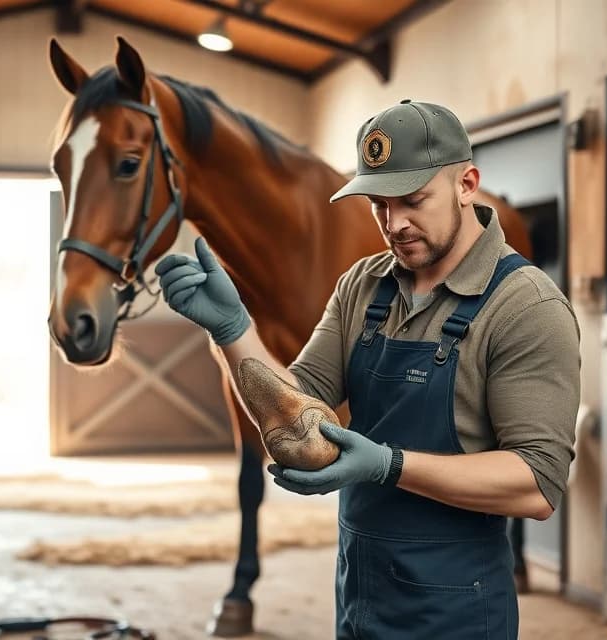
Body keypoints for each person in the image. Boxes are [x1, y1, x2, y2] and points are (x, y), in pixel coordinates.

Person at [156, 99, 580, 639]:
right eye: (379, 204)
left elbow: (536, 486)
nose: (393, 223)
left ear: (467, 183)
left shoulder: (526, 307)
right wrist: (234, 334)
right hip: (358, 601)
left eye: (413, 200)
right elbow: (294, 419)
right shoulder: (362, 285)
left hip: (458, 616)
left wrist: (388, 465)